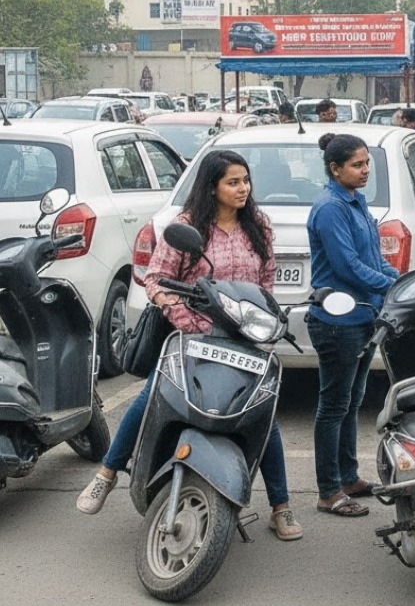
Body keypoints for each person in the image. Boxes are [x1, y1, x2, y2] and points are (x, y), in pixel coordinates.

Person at [76, 150, 303, 541]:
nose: (243, 189)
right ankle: (107, 473)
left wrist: (266, 322)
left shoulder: (259, 227)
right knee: (151, 397)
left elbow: (264, 286)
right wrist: (186, 318)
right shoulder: (187, 226)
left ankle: (280, 506)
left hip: (244, 340)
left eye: (245, 181)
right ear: (212, 186)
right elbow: (157, 280)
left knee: (263, 415)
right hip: (191, 335)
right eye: (233, 182)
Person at [306, 133, 400, 517]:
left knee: (352, 403)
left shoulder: (357, 202)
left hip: (365, 316)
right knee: (333, 406)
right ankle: (328, 490)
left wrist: (403, 278)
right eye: (357, 165)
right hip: (337, 321)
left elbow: (373, 258)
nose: (365, 171)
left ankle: (348, 477)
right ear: (335, 168)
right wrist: (390, 283)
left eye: (367, 164)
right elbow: (348, 267)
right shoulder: (330, 208)